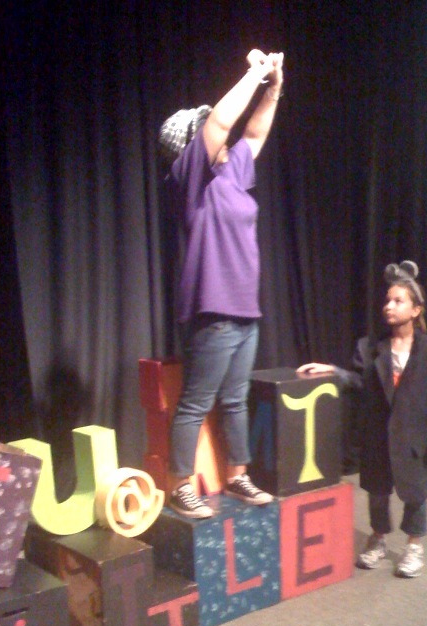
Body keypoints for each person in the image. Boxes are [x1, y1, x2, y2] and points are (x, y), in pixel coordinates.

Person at [158, 49, 284, 519]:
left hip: (245, 310)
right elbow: (219, 124)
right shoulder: (190, 178)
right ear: (192, 146)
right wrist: (254, 73)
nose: (224, 135)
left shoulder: (232, 173)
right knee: (196, 402)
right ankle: (180, 485)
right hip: (211, 311)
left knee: (235, 400)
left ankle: (237, 476)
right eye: (211, 133)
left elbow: (254, 133)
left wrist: (273, 88)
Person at [297, 261, 427, 577]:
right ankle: (378, 538)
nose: (389, 306)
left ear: (415, 310)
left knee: (416, 491)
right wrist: (334, 371)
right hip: (378, 436)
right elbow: (360, 382)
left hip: (413, 437)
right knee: (377, 491)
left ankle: (414, 546)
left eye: (398, 301)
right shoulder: (371, 348)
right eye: (387, 300)